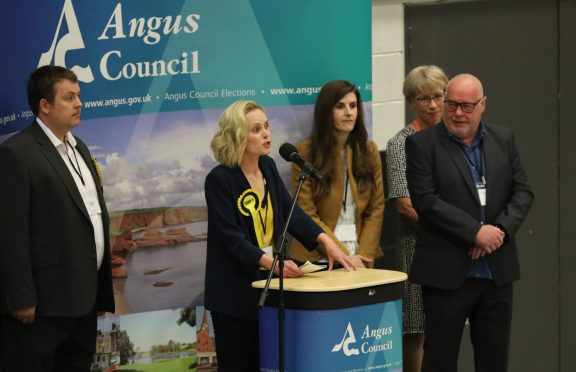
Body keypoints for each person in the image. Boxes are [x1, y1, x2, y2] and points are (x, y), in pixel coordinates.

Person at [204, 100, 354, 371]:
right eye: (256, 129)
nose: (266, 134)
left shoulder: (268, 167)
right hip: (234, 293)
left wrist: (325, 241)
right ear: (238, 135)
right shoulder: (219, 179)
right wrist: (271, 264)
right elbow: (231, 239)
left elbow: (289, 212)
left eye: (267, 126)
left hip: (268, 287)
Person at [405, 73, 534, 372]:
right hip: (447, 273)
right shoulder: (422, 145)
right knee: (439, 360)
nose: (457, 113)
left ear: (483, 104)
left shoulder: (504, 139)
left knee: (494, 360)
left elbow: (523, 191)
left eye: (466, 105)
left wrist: (498, 232)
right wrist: (474, 233)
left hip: (496, 273)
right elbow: (426, 201)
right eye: (451, 104)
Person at [0, 65, 115, 371]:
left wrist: (99, 291)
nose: (79, 103)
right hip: (43, 309)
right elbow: (11, 234)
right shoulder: (17, 154)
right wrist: (21, 298)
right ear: (45, 105)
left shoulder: (81, 148)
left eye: (78, 96)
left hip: (84, 303)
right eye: (69, 97)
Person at [386, 65, 449, 372]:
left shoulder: (455, 138)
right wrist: (450, 231)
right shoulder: (401, 143)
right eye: (424, 98)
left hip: (454, 252)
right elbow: (404, 206)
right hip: (418, 251)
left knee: (447, 332)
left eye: (438, 96)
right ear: (411, 102)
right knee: (416, 334)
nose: (433, 105)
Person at [288, 80, 384, 268]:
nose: (349, 112)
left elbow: (376, 209)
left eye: (353, 106)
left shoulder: (369, 151)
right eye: (340, 106)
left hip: (361, 256)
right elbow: (307, 213)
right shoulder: (305, 153)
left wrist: (363, 255)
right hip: (317, 254)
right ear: (326, 112)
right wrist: (344, 255)